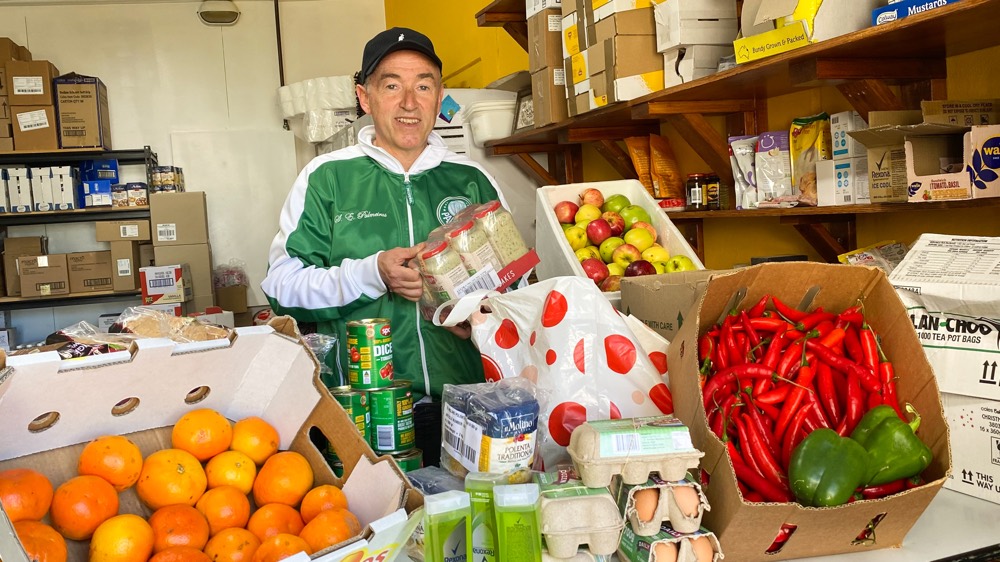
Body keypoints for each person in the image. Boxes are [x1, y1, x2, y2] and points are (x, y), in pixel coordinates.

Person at [261, 27, 511, 465]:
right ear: (365, 97)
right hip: (365, 409)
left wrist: (483, 324)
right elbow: (282, 287)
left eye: (423, 86)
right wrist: (371, 273)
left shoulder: (472, 180)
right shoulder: (327, 178)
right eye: (392, 85)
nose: (409, 102)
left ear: (439, 95)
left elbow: (518, 288)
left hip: (471, 406)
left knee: (471, 529)